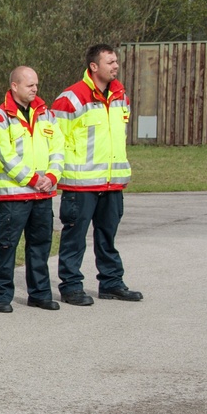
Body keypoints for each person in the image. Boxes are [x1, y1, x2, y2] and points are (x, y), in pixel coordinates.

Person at [52, 44, 143, 305]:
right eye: (110, 62)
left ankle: (112, 283)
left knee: (108, 236)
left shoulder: (120, 94)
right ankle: (71, 287)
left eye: (116, 61)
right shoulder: (70, 98)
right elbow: (56, 140)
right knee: (74, 238)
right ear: (94, 66)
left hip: (112, 183)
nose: (115, 66)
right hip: (80, 184)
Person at [0, 67, 63, 313]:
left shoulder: (47, 115)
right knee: (6, 245)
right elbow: (3, 155)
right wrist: (31, 178)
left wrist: (51, 176)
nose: (35, 89)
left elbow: (59, 147)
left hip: (42, 194)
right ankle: (1, 296)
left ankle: (40, 294)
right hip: (14, 195)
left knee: (40, 246)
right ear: (14, 86)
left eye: (37, 85)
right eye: (30, 85)